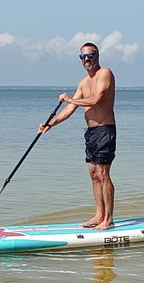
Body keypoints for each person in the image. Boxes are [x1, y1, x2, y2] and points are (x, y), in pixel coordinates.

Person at [38, 42, 117, 229]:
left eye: (90, 55)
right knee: (93, 173)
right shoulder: (83, 82)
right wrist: (50, 124)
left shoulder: (105, 73)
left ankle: (109, 219)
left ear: (97, 56)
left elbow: (96, 100)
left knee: (103, 173)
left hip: (105, 129)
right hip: (90, 132)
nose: (87, 59)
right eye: (83, 57)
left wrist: (69, 98)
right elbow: (71, 108)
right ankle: (99, 215)